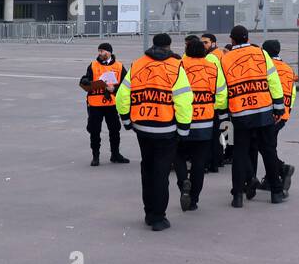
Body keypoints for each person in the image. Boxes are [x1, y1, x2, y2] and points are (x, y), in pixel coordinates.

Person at [115, 32, 193, 231]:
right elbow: (183, 101)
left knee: (147, 169)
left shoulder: (137, 64)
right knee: (161, 173)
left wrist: (126, 120)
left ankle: (149, 212)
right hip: (166, 129)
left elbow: (122, 96)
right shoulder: (176, 66)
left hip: (142, 128)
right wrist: (183, 129)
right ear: (169, 46)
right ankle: (158, 217)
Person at [218, 25, 286, 207]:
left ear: (232, 40)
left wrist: (223, 114)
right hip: (263, 110)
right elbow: (273, 81)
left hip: (240, 113)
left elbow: (222, 90)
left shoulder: (225, 59)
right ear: (247, 38)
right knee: (268, 151)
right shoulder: (261, 54)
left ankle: (238, 196)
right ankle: (277, 192)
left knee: (240, 154)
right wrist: (278, 107)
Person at [173, 36, 227, 212]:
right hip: (205, 121)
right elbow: (221, 95)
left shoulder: (179, 65)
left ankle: (183, 183)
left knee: (179, 155)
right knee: (199, 162)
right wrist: (211, 107)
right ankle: (194, 199)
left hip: (183, 120)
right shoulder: (212, 67)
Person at [77, 42, 129, 167]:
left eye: (103, 51)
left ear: (109, 52)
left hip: (111, 104)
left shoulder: (119, 66)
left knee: (115, 129)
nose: (100, 53)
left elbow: (126, 85)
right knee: (94, 131)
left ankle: (115, 154)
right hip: (95, 104)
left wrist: (114, 90)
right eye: (99, 51)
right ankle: (95, 156)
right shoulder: (93, 65)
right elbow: (87, 79)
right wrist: (85, 80)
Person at [258, 40, 297, 195]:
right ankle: (269, 179)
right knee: (270, 146)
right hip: (284, 113)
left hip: (270, 113)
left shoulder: (266, 67)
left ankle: (282, 169)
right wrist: (287, 111)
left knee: (263, 146)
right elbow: (293, 93)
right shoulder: (288, 69)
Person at [201, 32, 224, 172]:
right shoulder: (220, 54)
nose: (203, 45)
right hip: (224, 98)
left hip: (215, 100)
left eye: (206, 42)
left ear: (213, 43)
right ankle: (221, 158)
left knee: (213, 134)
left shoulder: (210, 57)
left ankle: (213, 161)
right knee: (222, 131)